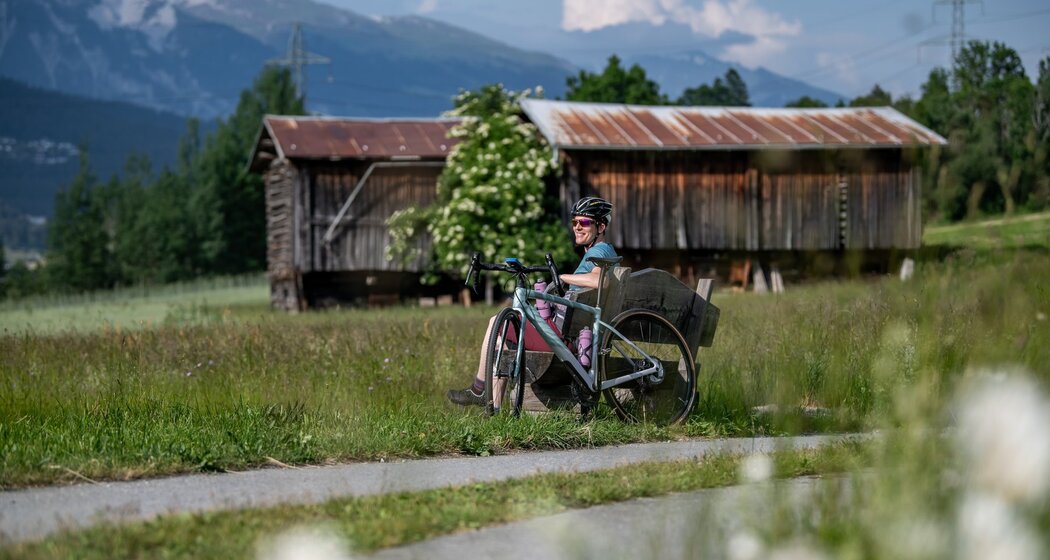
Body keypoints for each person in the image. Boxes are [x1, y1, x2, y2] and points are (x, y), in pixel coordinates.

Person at [447, 197, 617, 406]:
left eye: (585, 222)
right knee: (502, 342)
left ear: (601, 227)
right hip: (575, 335)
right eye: (575, 222)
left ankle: (479, 390)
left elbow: (600, 281)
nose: (577, 227)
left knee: (496, 323)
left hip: (567, 340)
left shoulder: (599, 252)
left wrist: (563, 277)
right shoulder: (604, 252)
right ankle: (493, 407)